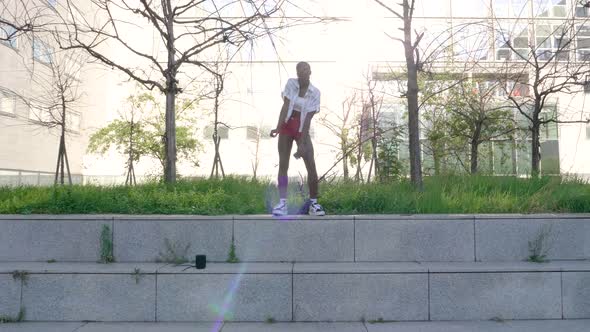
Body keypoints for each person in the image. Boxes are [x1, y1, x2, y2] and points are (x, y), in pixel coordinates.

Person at [269, 61, 325, 216]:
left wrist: (302, 142)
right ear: (297, 73)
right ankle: (282, 204)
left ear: (310, 72)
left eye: (306, 69)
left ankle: (314, 204)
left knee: (311, 165)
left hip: (302, 127)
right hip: (287, 126)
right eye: (300, 70)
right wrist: (278, 127)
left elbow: (307, 119)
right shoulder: (291, 84)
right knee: (283, 164)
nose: (303, 72)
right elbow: (286, 106)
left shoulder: (315, 92)